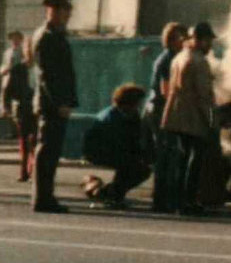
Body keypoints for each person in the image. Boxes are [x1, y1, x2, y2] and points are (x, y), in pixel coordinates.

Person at [160, 22, 218, 217]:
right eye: (208, 40)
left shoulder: (179, 57)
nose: (210, 45)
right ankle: (189, 201)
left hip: (176, 115)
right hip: (193, 117)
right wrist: (211, 120)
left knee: (182, 159)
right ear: (199, 40)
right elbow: (204, 95)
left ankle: (178, 201)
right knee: (195, 159)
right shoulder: (199, 61)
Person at [32, 0, 79, 215]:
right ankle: (42, 198)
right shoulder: (46, 37)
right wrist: (60, 102)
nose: (68, 14)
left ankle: (46, 195)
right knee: (47, 151)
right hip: (51, 104)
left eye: (68, 10)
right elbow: (49, 76)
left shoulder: (56, 35)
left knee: (51, 152)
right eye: (64, 10)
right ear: (52, 11)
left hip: (56, 102)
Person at [83, 83, 153, 209]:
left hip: (115, 149)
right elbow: (118, 144)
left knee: (135, 165)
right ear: (129, 103)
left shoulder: (129, 115)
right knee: (137, 168)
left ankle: (108, 191)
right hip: (99, 151)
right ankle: (112, 193)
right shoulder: (112, 119)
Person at [147, 22, 188, 214]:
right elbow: (165, 90)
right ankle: (161, 199)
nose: (185, 41)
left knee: (168, 153)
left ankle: (163, 197)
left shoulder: (174, 58)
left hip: (165, 109)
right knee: (165, 154)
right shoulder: (168, 60)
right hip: (162, 110)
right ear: (172, 39)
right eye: (182, 37)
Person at [0, 29, 38, 183]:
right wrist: (6, 107)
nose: (29, 52)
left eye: (32, 49)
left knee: (36, 140)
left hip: (40, 109)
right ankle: (24, 171)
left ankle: (34, 169)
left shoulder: (42, 68)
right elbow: (7, 90)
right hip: (23, 109)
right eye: (27, 49)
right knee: (25, 140)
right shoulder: (18, 69)